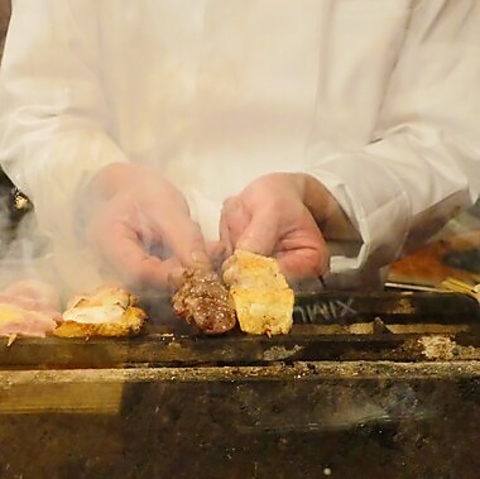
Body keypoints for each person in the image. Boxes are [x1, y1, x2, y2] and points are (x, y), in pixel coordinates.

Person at [0, 0, 479, 292]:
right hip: (110, 292)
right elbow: (42, 105)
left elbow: (444, 137)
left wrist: (325, 198)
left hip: (330, 307)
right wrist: (105, 184)